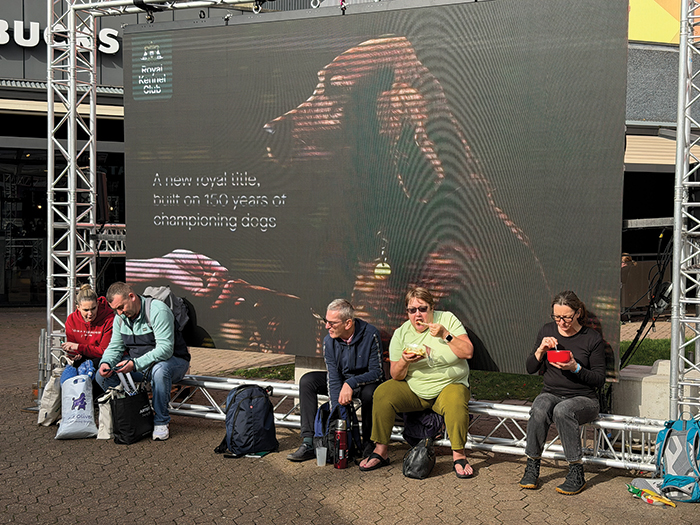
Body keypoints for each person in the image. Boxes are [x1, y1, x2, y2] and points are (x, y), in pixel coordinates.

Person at [359, 287, 474, 478]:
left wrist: (445, 334)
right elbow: (396, 374)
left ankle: (459, 455)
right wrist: (405, 361)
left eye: (422, 309)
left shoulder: (446, 320)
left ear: (432, 308)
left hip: (448, 385)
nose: (418, 314)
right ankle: (380, 451)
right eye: (412, 310)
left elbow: (468, 352)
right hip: (415, 389)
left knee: (456, 399)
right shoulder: (402, 333)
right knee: (383, 393)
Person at [519, 290, 606, 495]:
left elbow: (599, 379)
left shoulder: (591, 338)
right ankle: (532, 465)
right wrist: (541, 350)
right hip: (552, 392)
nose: (561, 322)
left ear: (577, 313)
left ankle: (576, 471)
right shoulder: (547, 331)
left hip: (584, 398)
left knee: (563, 410)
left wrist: (576, 368)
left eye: (566, 317)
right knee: (540, 407)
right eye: (557, 317)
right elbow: (530, 368)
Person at [287, 299, 384, 462]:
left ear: (348, 323)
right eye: (326, 321)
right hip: (341, 381)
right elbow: (333, 377)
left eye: (332, 323)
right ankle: (309, 441)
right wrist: (337, 415)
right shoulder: (329, 340)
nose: (327, 326)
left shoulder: (370, 334)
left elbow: (377, 372)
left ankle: (369, 443)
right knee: (307, 381)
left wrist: (351, 383)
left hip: (364, 382)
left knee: (371, 393)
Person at [97, 282, 191, 441]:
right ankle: (134, 414)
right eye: (115, 310)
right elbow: (115, 347)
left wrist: (135, 364)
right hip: (139, 365)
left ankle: (161, 421)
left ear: (132, 297)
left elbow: (165, 349)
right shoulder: (120, 318)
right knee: (103, 375)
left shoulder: (158, 310)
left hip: (174, 362)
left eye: (121, 307)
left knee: (160, 371)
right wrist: (106, 363)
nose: (119, 313)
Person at [62, 284, 116, 387]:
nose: (90, 313)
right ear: (78, 308)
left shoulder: (109, 320)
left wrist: (79, 347)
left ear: (98, 304)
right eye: (86, 310)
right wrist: (73, 354)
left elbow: (105, 351)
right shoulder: (71, 320)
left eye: (93, 308)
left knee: (90, 374)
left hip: (102, 361)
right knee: (67, 378)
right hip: (82, 360)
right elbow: (73, 349)